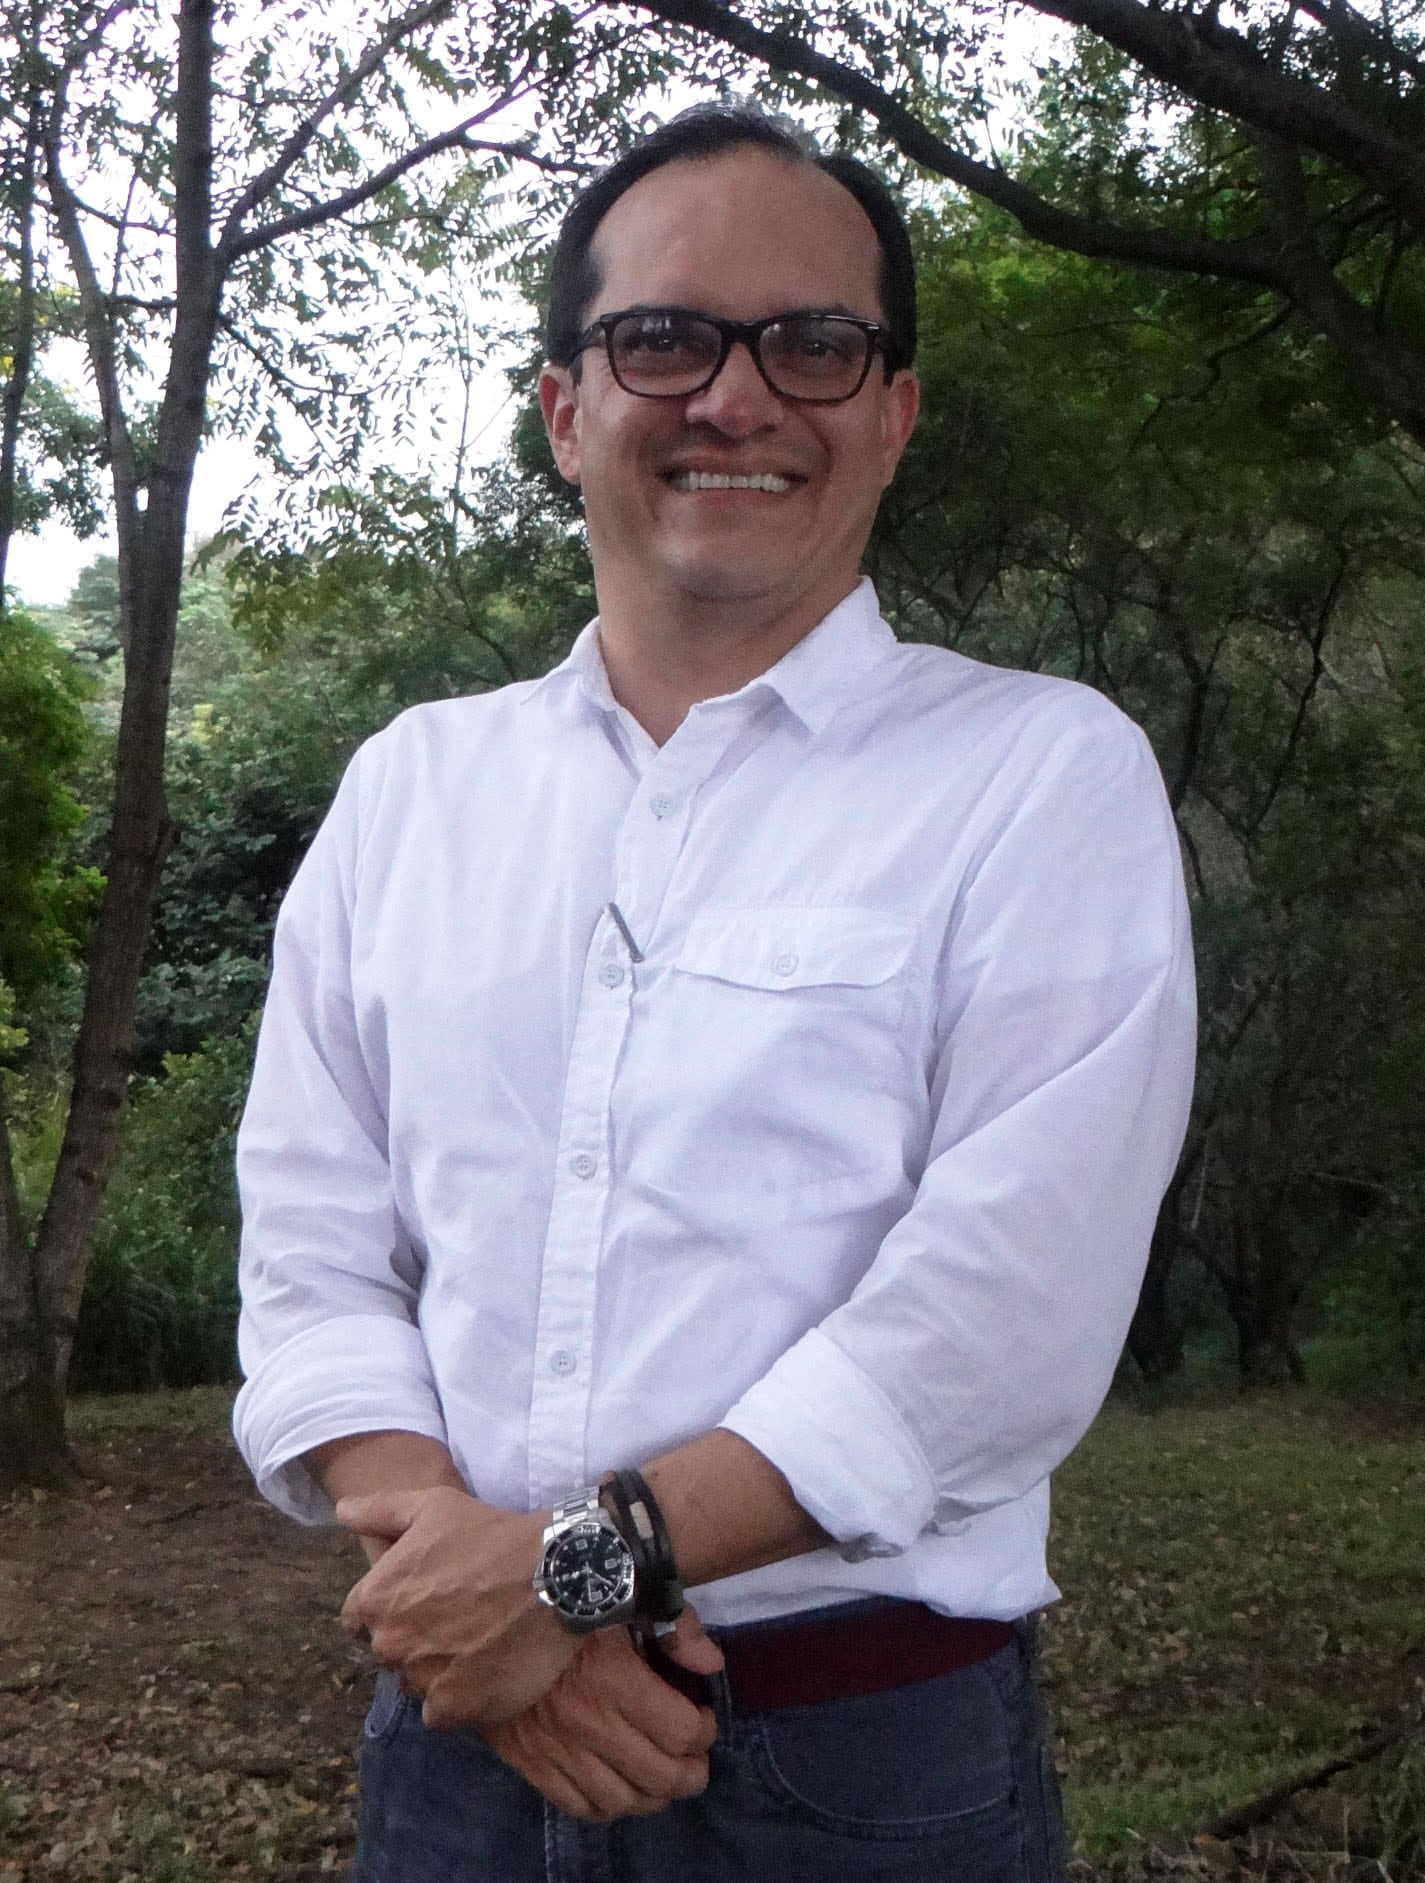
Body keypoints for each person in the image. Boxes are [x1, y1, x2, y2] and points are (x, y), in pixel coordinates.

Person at [233, 103, 1196, 1883]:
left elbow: (1006, 1311)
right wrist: (478, 1599)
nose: (738, 398)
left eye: (814, 344)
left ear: (891, 413)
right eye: (664, 338)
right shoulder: (413, 788)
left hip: (856, 1770)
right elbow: (311, 1249)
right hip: (452, 1745)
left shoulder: (1039, 774)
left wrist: (567, 1574)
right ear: (563, 407)